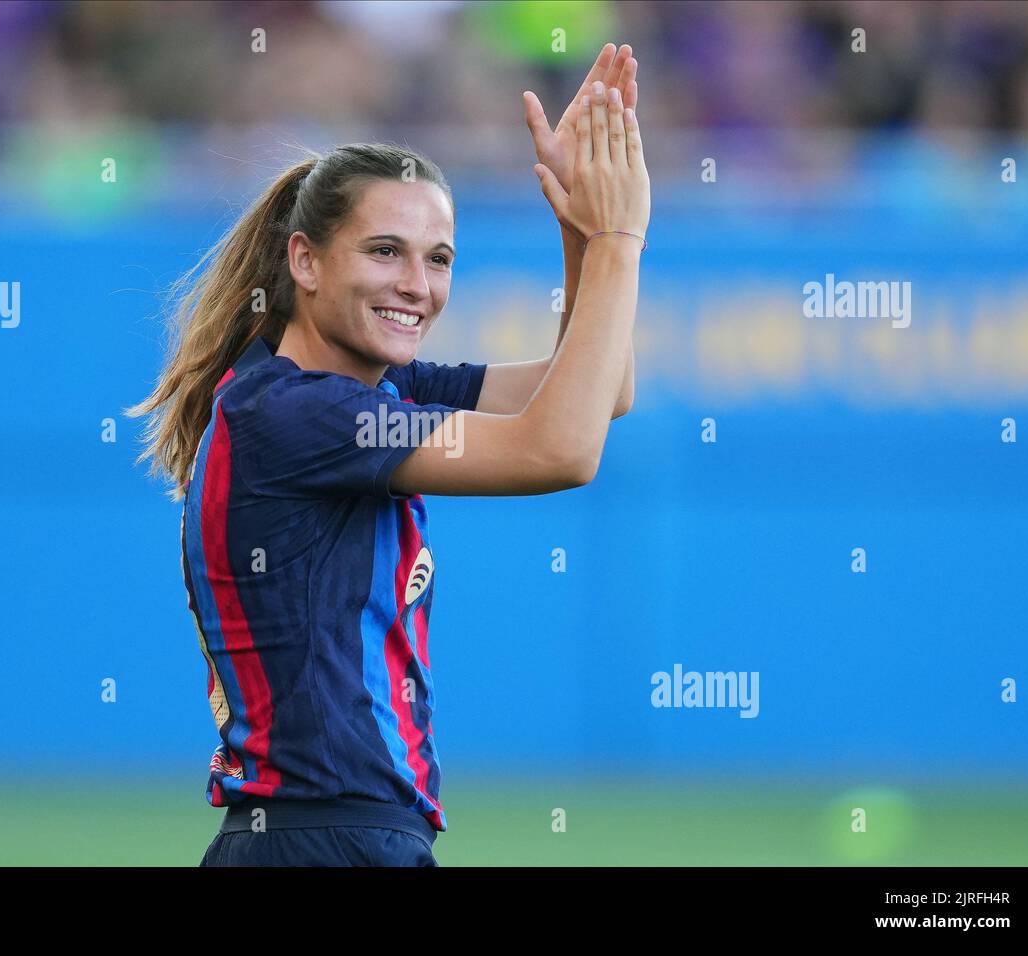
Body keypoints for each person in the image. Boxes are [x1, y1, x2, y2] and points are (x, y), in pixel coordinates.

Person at [126, 43, 648, 866]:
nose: (417, 282)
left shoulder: (379, 390)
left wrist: (582, 230)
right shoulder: (294, 411)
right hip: (327, 840)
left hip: (331, 839)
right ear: (305, 261)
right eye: (384, 251)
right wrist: (621, 239)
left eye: (438, 259)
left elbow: (598, 392)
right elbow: (561, 450)